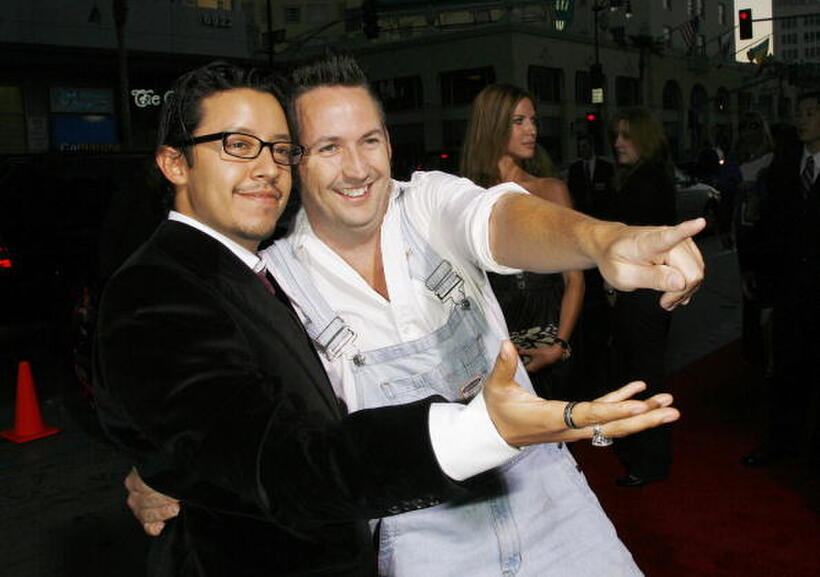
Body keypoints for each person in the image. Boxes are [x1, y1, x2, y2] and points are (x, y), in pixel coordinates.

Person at [122, 54, 703, 577]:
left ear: (390, 146)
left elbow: (499, 219)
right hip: (420, 537)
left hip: (547, 499)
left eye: (369, 141)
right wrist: (169, 469)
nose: (356, 169)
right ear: (295, 161)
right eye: (328, 148)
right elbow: (257, 424)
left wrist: (602, 241)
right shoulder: (275, 276)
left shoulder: (426, 202)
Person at [460, 83, 584, 400]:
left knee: (557, 443)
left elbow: (574, 279)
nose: (532, 130)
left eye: (533, 120)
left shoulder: (551, 190)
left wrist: (560, 345)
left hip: (548, 331)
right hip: (496, 339)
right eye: (519, 121)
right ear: (492, 125)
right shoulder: (468, 196)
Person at [743, 91, 820, 471]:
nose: (801, 119)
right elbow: (768, 227)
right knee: (788, 373)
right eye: (799, 113)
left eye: (810, 113)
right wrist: (758, 275)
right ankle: (781, 444)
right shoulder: (784, 168)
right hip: (790, 291)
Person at [608, 108, 678, 488]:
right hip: (642, 294)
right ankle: (642, 455)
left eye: (626, 136)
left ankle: (647, 461)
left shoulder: (647, 182)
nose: (618, 143)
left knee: (643, 377)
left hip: (645, 296)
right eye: (616, 136)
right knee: (640, 373)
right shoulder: (643, 178)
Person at [567, 133, 617, 397]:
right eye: (580, 144)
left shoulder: (607, 168)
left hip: (603, 233)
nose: (582, 147)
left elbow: (610, 197)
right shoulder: (575, 170)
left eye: (586, 143)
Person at [567, 133, 616, 220]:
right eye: (580, 147)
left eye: (584, 146)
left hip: (602, 213)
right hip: (581, 213)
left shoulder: (605, 166)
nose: (582, 150)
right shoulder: (574, 168)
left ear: (591, 147)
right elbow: (571, 190)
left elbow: (611, 190)